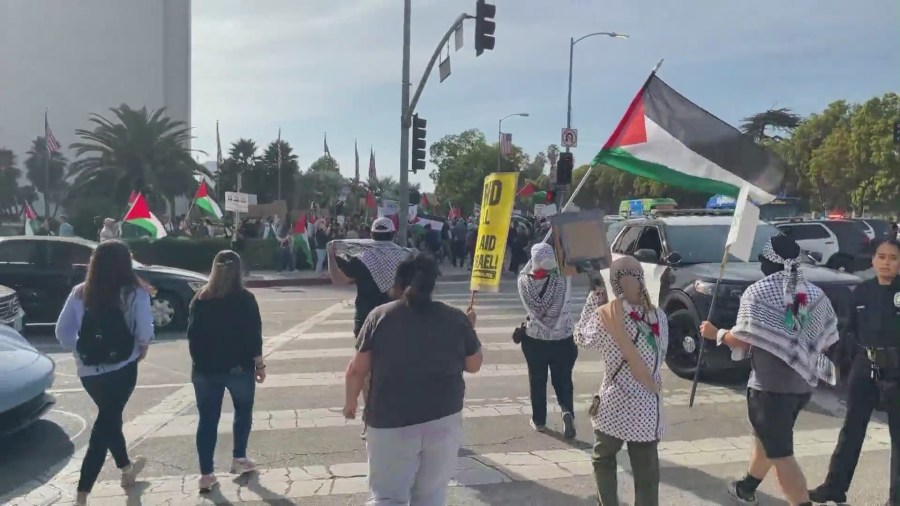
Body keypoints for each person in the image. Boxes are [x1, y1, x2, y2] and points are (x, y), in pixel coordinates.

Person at [700, 235, 840, 506]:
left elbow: (742, 339)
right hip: (801, 388)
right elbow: (825, 337)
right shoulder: (812, 293)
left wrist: (715, 333)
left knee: (781, 453)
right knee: (768, 438)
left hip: (770, 388)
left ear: (768, 260)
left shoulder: (759, 292)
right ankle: (746, 487)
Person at [343, 253, 482, 505]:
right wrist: (469, 328)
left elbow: (355, 370)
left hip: (389, 420)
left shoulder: (379, 316)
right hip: (444, 418)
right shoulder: (455, 318)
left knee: (387, 495)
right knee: (431, 496)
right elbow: (474, 365)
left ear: (397, 283)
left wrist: (350, 403)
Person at [54, 240, 154, 506]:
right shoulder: (135, 292)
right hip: (123, 367)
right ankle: (83, 493)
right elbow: (144, 329)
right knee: (105, 425)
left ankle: (126, 469)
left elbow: (62, 332)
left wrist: (81, 350)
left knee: (110, 419)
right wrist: (143, 345)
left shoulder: (80, 292)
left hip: (89, 373)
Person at [809, 238, 900, 505]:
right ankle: (834, 486)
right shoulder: (861, 292)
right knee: (851, 430)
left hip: (898, 369)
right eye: (881, 257)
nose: (886, 262)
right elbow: (848, 331)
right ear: (872, 260)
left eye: (893, 258)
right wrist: (840, 364)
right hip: (866, 366)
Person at [574, 256, 668, 506]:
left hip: (612, 405)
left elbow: (581, 337)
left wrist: (594, 299)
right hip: (646, 410)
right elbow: (661, 359)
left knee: (603, 458)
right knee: (646, 474)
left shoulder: (605, 316)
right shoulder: (658, 317)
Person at [187, 250, 265, 492]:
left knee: (207, 420)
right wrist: (259, 365)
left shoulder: (200, 298)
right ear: (239, 270)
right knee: (243, 411)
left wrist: (200, 363)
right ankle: (239, 457)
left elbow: (192, 336)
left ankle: (206, 474)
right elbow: (254, 336)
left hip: (206, 369)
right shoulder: (245, 299)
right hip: (239, 367)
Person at [517, 242, 578, 438]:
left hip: (535, 340)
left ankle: (540, 421)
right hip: (563, 339)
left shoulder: (524, 283)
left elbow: (524, 271)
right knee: (563, 380)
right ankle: (566, 410)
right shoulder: (563, 279)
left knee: (537, 380)